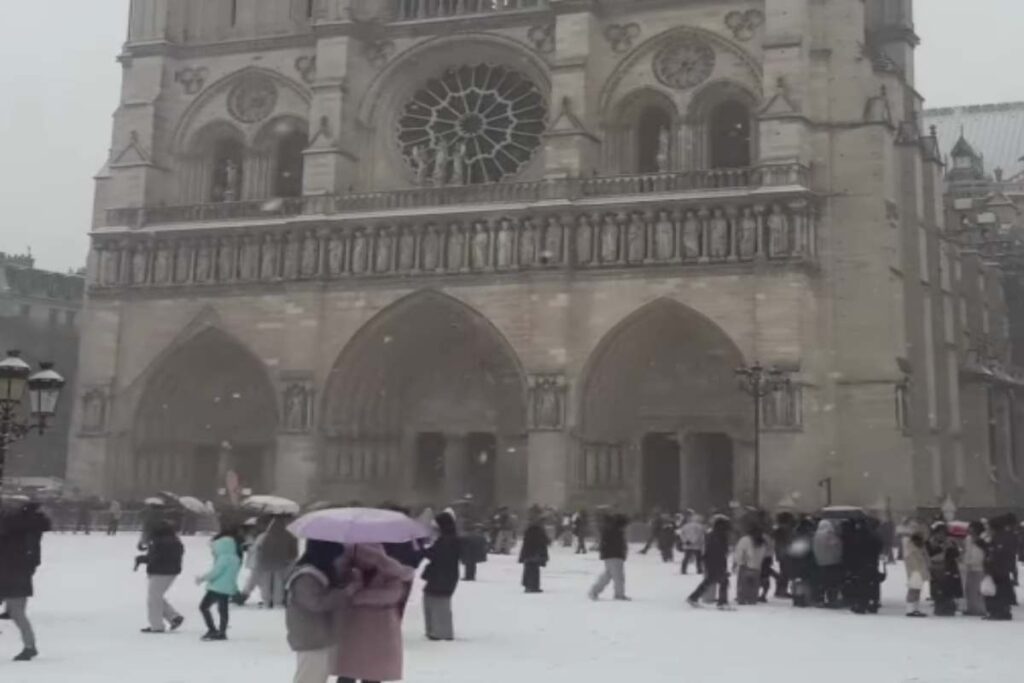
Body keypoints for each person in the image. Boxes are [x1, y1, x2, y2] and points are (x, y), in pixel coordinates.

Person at [333, 544, 416, 683]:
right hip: (352, 628)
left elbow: (393, 594)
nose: (365, 560)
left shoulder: (390, 571)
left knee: (372, 672)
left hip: (379, 630)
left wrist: (358, 596)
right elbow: (339, 591)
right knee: (347, 672)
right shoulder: (347, 570)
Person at [286, 540, 348, 683]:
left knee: (316, 676)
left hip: (318, 636)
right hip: (310, 637)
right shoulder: (306, 576)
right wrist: (343, 594)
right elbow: (315, 603)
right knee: (309, 678)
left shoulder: (316, 573)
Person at [0, 500, 51, 661]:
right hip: (19, 572)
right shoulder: (30, 527)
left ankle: (30, 647)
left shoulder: (12, 528)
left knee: (17, 613)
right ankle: (30, 646)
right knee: (17, 613)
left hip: (11, 573)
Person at [135, 521, 185, 633]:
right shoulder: (175, 541)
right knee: (156, 597)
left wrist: (142, 559)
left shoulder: (160, 542)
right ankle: (174, 617)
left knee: (153, 599)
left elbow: (156, 558)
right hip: (171, 572)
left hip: (160, 572)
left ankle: (157, 626)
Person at [195, 530, 242, 641]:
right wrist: (235, 588)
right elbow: (233, 576)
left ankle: (212, 629)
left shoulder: (223, 558)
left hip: (216, 588)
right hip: (227, 589)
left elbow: (215, 572)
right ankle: (222, 632)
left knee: (203, 607)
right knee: (223, 610)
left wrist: (202, 578)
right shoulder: (236, 559)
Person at [422, 511, 460, 641]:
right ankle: (434, 630)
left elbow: (438, 555)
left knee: (439, 602)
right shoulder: (446, 539)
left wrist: (424, 551)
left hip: (442, 576)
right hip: (442, 575)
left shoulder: (448, 540)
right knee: (432, 600)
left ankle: (441, 632)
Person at [688, 515, 732, 609]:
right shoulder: (719, 535)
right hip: (716, 561)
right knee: (722, 581)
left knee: (710, 580)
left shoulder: (712, 534)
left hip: (710, 560)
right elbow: (719, 550)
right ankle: (722, 603)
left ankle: (693, 597)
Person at [256, 516, 299, 608]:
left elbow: (259, 549)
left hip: (265, 563)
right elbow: (293, 552)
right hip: (280, 563)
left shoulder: (266, 536)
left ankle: (266, 602)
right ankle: (277, 602)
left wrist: (259, 561)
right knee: (278, 583)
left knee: (266, 583)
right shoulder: (289, 536)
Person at [589, 513, 630, 601]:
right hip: (614, 556)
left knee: (607, 575)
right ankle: (619, 594)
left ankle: (594, 591)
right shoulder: (615, 532)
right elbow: (618, 545)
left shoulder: (610, 530)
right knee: (618, 576)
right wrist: (622, 553)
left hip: (610, 556)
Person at [984, 515, 1017, 621]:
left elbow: (1002, 553)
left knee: (1000, 590)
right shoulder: (996, 538)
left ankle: (1001, 611)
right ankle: (998, 611)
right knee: (999, 590)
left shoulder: (1001, 538)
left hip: (1000, 569)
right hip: (999, 569)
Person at [926, 522, 962, 617]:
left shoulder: (950, 542)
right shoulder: (930, 542)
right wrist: (941, 548)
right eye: (939, 533)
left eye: (944, 533)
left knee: (949, 589)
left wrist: (951, 548)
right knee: (938, 589)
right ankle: (940, 607)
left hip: (949, 568)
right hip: (936, 569)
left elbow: (956, 555)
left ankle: (950, 607)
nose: (941, 535)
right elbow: (929, 554)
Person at [733, 523, 769, 605]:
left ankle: (742, 599)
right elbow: (765, 554)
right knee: (754, 587)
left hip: (745, 567)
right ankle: (752, 600)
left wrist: (739, 562)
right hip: (757, 567)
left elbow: (739, 552)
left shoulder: (745, 540)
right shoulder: (762, 542)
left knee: (742, 586)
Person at [812, 519, 843, 607]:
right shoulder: (830, 534)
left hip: (820, 561)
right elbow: (836, 546)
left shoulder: (816, 535)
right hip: (832, 561)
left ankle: (819, 599)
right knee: (832, 582)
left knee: (822, 582)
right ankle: (832, 600)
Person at [519, 513, 550, 594]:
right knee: (532, 570)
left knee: (531, 570)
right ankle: (531, 587)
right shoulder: (536, 530)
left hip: (530, 553)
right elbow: (541, 541)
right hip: (533, 553)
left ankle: (531, 586)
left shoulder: (533, 529)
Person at [962, 521, 987, 617]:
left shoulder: (983, 539)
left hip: (980, 567)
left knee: (978, 589)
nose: (970, 530)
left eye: (972, 528)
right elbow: (967, 551)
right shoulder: (968, 539)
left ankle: (981, 608)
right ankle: (971, 608)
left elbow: (983, 552)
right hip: (969, 566)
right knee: (969, 589)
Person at [904, 531, 930, 617]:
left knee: (917, 590)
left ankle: (915, 608)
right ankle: (910, 609)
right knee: (913, 590)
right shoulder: (912, 549)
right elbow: (914, 562)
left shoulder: (919, 548)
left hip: (919, 572)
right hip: (915, 572)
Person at [773, 513, 795, 596]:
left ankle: (780, 590)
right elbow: (789, 541)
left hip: (781, 553)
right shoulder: (786, 530)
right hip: (786, 554)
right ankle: (782, 591)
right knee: (785, 573)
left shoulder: (779, 529)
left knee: (784, 572)